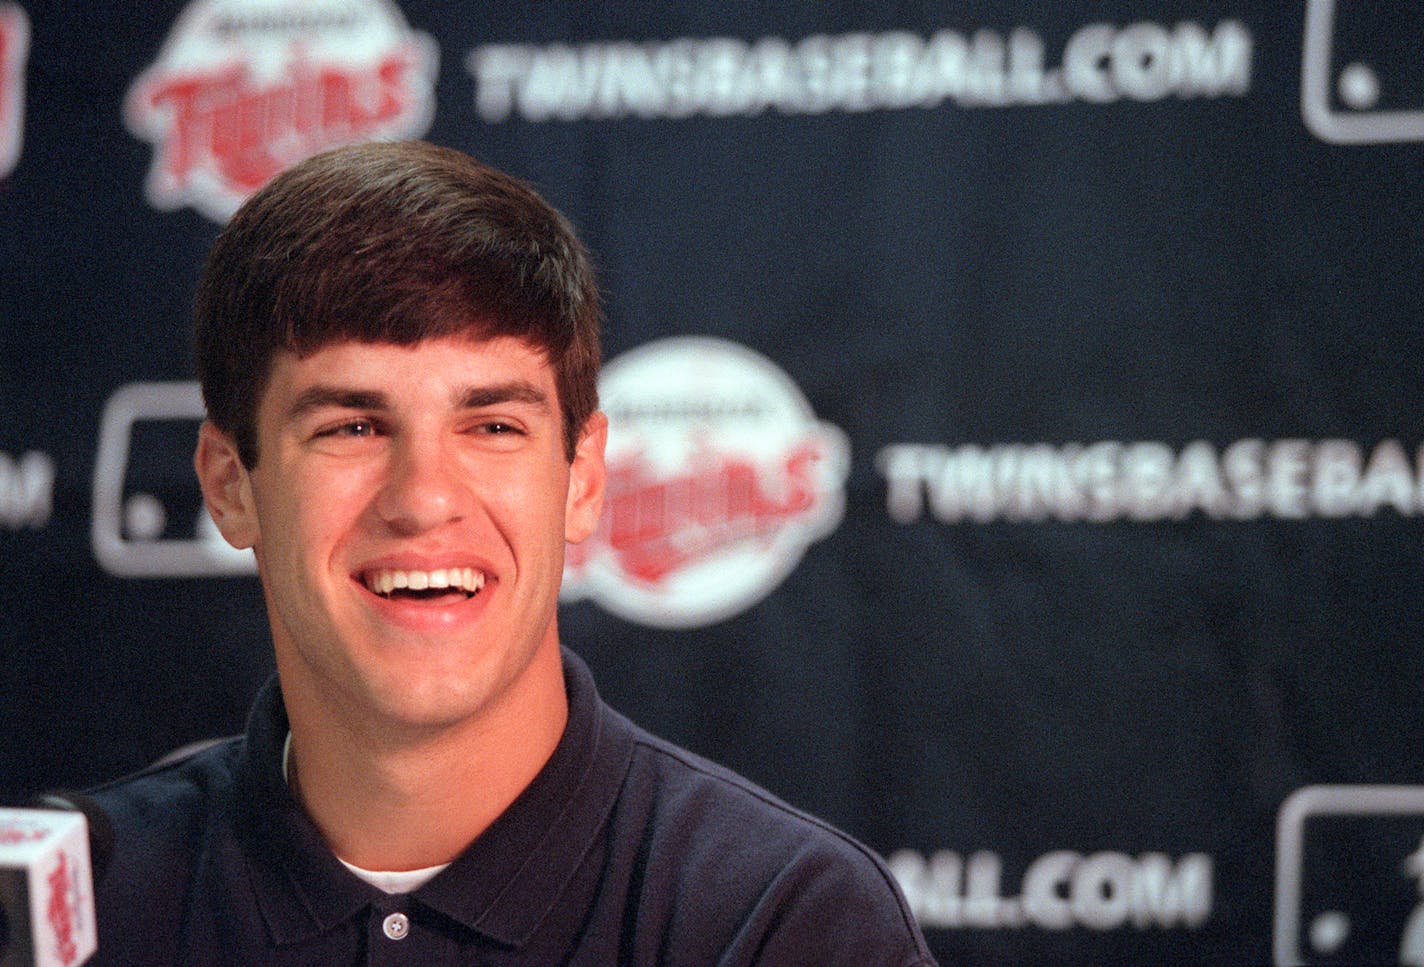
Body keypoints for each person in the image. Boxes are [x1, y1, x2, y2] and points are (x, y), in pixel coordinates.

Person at [89, 140, 937, 966]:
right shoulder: (73, 907)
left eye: (493, 426)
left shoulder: (785, 923)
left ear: (582, 479)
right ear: (231, 483)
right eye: (352, 426)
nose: (424, 497)